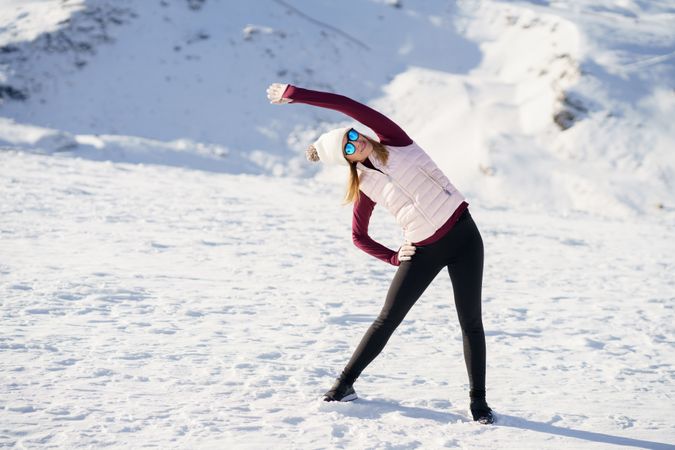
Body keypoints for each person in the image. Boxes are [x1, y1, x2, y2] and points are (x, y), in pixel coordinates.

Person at [266, 82, 494, 424]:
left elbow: (345, 101)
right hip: (423, 249)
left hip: (464, 235)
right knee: (386, 320)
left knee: (470, 322)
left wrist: (295, 94)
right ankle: (344, 384)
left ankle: (479, 402)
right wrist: (393, 256)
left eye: (354, 135)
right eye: (349, 146)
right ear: (346, 160)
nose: (357, 142)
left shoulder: (395, 142)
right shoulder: (365, 187)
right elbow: (359, 236)